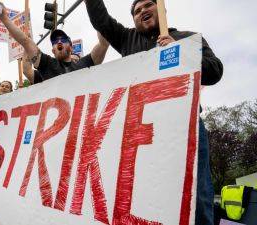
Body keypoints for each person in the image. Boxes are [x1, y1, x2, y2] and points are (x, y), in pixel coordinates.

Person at [83, 0, 223, 224]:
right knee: (145, 198)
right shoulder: (127, 39)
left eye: (148, 5)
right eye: (137, 11)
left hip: (185, 130)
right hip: (141, 134)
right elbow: (101, 20)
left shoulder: (188, 38)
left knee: (196, 198)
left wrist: (181, 52)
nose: (142, 12)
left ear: (161, 9)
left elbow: (215, 71)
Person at [0, 2, 110, 84]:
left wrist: (92, 4)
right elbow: (26, 42)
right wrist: (4, 18)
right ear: (53, 50)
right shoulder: (47, 64)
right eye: (54, 41)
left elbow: (104, 43)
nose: (58, 41)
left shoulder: (85, 63)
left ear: (70, 46)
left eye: (63, 40)